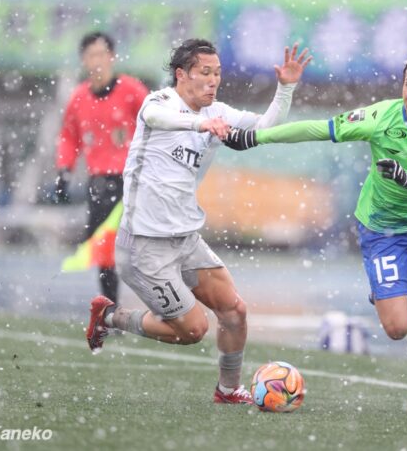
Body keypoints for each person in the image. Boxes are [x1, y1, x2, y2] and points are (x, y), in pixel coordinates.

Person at [223, 51, 407, 414]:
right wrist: (255, 138)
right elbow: (317, 129)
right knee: (397, 329)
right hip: (384, 231)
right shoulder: (381, 117)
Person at [85, 39, 312, 404]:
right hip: (144, 246)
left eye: (217, 73)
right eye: (205, 72)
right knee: (193, 330)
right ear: (181, 74)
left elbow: (264, 128)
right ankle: (110, 317)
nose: (213, 80)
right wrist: (200, 124)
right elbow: (157, 119)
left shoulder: (217, 112)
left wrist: (285, 88)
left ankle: (228, 390)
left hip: (186, 239)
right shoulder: (160, 102)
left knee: (234, 311)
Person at [54, 32, 150, 302]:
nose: (97, 61)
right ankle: (111, 306)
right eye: (91, 56)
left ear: (111, 57)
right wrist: (64, 170)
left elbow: (153, 121)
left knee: (145, 244)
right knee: (104, 250)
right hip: (99, 182)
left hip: (132, 180)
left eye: (101, 54)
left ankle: (163, 302)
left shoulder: (131, 91)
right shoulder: (79, 98)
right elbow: (69, 136)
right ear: (83, 60)